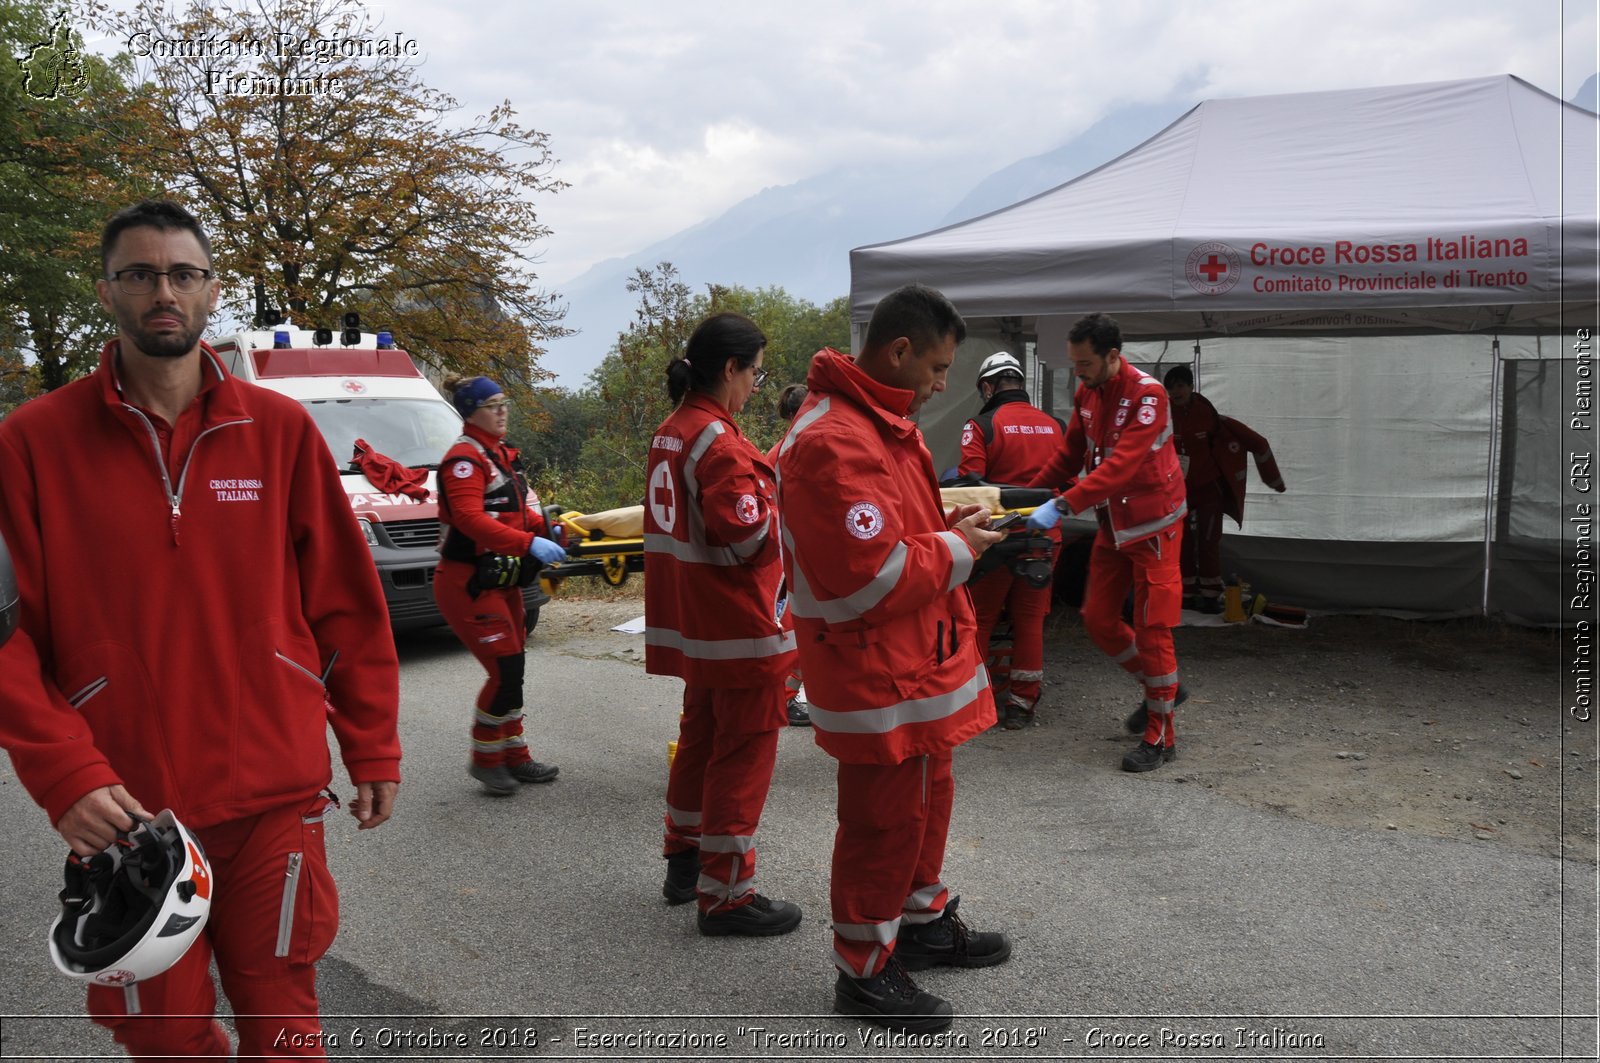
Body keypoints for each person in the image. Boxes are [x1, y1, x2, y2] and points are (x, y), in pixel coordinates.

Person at [0, 199, 401, 1058]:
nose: (163, 291)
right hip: (127, 814)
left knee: (287, 1030)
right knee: (166, 1041)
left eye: (182, 273)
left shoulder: (281, 430)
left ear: (213, 290)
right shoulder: (31, 442)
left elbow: (345, 608)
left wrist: (372, 745)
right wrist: (63, 773)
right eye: (139, 274)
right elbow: (7, 638)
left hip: (273, 799)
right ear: (106, 290)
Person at [777, 284, 1011, 1032]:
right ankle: (864, 970)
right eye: (939, 367)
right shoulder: (833, 439)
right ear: (901, 350)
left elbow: (894, 528)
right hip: (877, 668)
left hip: (913, 661)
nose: (945, 384)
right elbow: (867, 576)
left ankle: (919, 919)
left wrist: (950, 521)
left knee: (926, 798)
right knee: (883, 819)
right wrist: (958, 548)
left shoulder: (878, 421)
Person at [644, 312, 803, 937]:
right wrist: (786, 509)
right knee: (743, 752)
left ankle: (684, 861)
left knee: (702, 738)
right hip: (739, 622)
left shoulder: (671, 430)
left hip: (697, 622)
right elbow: (752, 540)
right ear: (730, 368)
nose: (755, 387)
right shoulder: (720, 442)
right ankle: (728, 894)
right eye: (756, 374)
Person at [1027, 312, 1188, 773]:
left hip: (1156, 528)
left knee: (1153, 628)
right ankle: (1164, 690)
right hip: (1114, 524)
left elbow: (1121, 466)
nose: (1078, 373)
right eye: (1075, 365)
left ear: (1113, 356)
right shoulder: (1087, 393)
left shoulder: (1149, 396)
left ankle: (1162, 734)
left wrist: (1061, 506)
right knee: (1097, 619)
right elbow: (1069, 454)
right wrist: (1028, 496)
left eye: (1085, 364)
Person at [434, 375, 568, 796]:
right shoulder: (464, 461)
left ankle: (515, 755)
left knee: (514, 672)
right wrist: (531, 543)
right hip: (468, 584)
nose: (502, 409)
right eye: (492, 404)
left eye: (504, 401)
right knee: (504, 671)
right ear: (471, 411)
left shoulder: (501, 456)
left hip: (500, 579)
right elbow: (472, 520)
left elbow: (514, 514)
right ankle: (486, 759)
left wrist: (551, 528)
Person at [957, 352, 1068, 730]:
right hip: (1044, 539)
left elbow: (972, 485)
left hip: (997, 538)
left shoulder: (982, 425)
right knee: (1030, 620)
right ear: (1020, 383)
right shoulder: (1057, 425)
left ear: (988, 386)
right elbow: (1069, 487)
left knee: (982, 618)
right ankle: (1022, 703)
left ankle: (978, 700)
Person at [1162, 365, 1286, 613]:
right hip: (1178, 493)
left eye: (1180, 386)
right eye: (1171, 387)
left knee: (1208, 541)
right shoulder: (1161, 416)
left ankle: (1210, 595)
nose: (1176, 391)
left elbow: (1258, 443)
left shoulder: (1209, 415)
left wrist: (1274, 481)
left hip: (1209, 490)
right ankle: (1186, 594)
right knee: (1181, 542)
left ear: (1190, 386)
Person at [770, 382, 811, 728]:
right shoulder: (797, 449)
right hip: (794, 556)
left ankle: (784, 697)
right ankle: (782, 699)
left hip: (792, 554)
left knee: (798, 631)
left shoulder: (778, 450)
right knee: (797, 632)